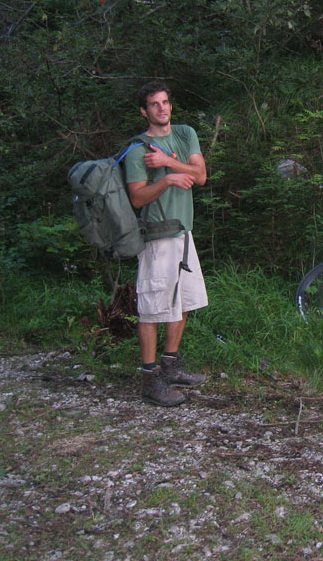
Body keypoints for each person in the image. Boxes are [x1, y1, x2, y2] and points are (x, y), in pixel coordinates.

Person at [124, 81, 209, 406]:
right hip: (156, 237)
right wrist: (167, 182)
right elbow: (137, 197)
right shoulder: (137, 150)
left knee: (182, 302)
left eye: (165, 103)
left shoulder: (186, 133)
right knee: (152, 309)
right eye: (154, 105)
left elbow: (200, 176)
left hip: (183, 232)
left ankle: (171, 366)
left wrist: (170, 165)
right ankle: (149, 379)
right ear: (144, 111)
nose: (162, 109)